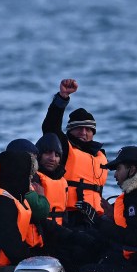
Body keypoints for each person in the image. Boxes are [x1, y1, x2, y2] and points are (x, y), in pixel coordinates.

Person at [41, 79, 108, 218]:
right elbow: (50, 127)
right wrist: (62, 98)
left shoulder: (100, 155)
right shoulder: (63, 147)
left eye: (88, 129)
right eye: (78, 128)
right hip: (69, 216)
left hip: (95, 217)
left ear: (93, 133)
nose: (83, 132)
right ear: (70, 130)